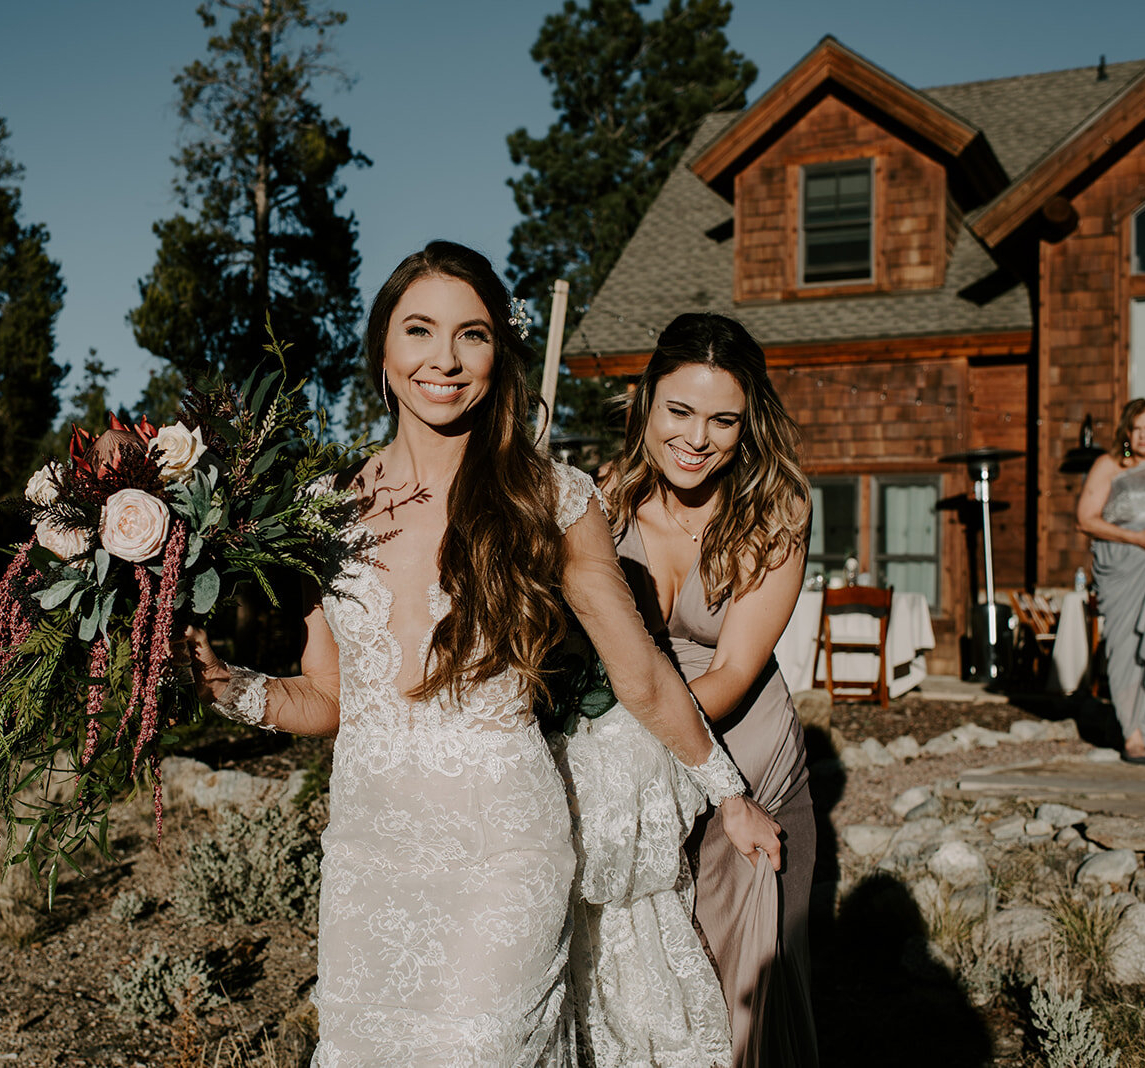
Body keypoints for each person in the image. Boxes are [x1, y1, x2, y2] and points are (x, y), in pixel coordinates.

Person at [182, 242, 779, 1066]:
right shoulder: (324, 515)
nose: (446, 359)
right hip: (371, 857)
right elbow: (334, 700)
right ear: (383, 352)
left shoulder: (550, 496)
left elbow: (640, 672)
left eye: (473, 335)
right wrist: (229, 688)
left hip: (505, 853)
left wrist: (728, 790)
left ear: (499, 354)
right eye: (420, 330)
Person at [602, 313, 818, 1068]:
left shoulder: (778, 509)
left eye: (723, 420)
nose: (698, 438)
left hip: (744, 762)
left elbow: (730, 673)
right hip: (627, 770)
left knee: (744, 1002)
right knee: (644, 998)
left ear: (747, 422)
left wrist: (635, 741)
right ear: (645, 402)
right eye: (680, 412)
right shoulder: (602, 503)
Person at [1075, 398, 1145, 764]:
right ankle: (1132, 733)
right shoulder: (1109, 466)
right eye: (1136, 428)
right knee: (1127, 647)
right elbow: (1086, 519)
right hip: (1126, 567)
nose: (1143, 435)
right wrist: (1138, 538)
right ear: (1126, 432)